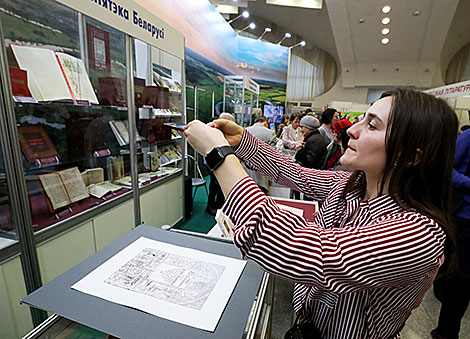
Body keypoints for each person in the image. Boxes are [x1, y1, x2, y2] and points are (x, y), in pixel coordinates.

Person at [184, 88, 458, 339]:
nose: (352, 130)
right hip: (308, 325)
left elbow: (298, 249)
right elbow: (295, 173)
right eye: (361, 119)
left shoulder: (417, 235)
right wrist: (242, 141)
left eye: (372, 125)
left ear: (409, 156)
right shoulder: (349, 186)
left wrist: (218, 155)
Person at [432, 128, 470, 339]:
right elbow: (446, 169)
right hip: (465, 218)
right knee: (461, 277)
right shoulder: (467, 138)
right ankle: (446, 332)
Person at [205, 113, 235, 215]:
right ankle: (211, 206)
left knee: (220, 185)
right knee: (214, 185)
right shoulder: (215, 131)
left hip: (219, 162)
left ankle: (220, 205)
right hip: (213, 162)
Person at [244, 116, 276, 193]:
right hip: (261, 174)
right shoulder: (270, 133)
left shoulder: (245, 130)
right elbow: (272, 154)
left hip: (245, 172)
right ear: (265, 123)